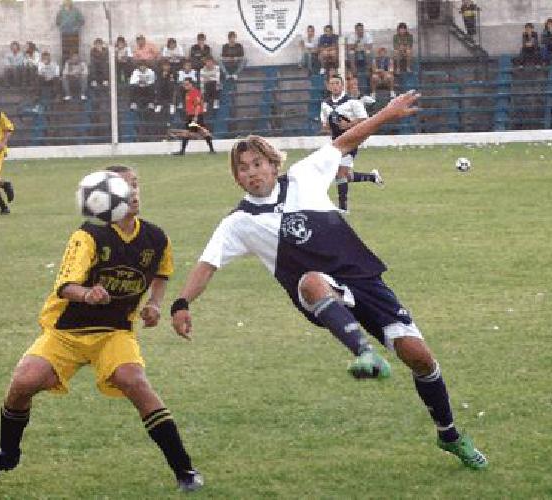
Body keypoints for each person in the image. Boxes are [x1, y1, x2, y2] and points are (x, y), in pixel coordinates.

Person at [168, 91, 489, 472]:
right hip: (321, 294)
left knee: (420, 357)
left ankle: (449, 434)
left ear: (273, 164)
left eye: (257, 163)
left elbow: (346, 140)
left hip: (364, 280)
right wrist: (181, 303)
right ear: (236, 177)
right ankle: (363, 353)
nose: (251, 172)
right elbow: (208, 264)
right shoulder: (238, 223)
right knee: (312, 281)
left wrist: (386, 113)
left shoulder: (304, 175)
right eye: (243, 168)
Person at [0, 165, 205, 492]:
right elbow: (65, 285)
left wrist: (153, 305)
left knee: (134, 381)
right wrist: (87, 294)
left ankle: (185, 470)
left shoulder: (156, 237)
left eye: (136, 185)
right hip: (66, 333)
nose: (134, 193)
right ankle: (7, 453)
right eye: (125, 188)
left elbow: (161, 273)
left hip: (114, 333)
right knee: (24, 381)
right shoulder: (89, 236)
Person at [319, 75, 384, 213]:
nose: (335, 86)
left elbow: (364, 120)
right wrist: (329, 126)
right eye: (332, 83)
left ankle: (343, 208)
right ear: (328, 86)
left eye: (337, 83)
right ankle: (372, 177)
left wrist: (348, 125)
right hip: (336, 142)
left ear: (342, 86)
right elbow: (324, 125)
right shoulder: (325, 104)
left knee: (340, 173)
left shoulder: (352, 102)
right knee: (342, 175)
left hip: (351, 140)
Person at [171, 79, 214, 155]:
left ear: (191, 85)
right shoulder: (187, 93)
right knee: (199, 132)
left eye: (187, 84)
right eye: (184, 85)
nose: (185, 86)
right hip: (190, 115)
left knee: (198, 132)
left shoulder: (195, 93)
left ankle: (182, 151)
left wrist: (196, 116)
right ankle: (211, 150)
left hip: (195, 115)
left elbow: (198, 105)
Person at [55, 0, 85, 64]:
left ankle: (75, 66)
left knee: (75, 51)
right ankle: (65, 68)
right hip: (65, 34)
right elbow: (57, 22)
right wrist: (62, 26)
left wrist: (76, 28)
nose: (67, 3)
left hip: (74, 34)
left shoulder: (76, 11)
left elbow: (82, 21)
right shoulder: (61, 12)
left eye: (68, 1)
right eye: (65, 2)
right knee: (65, 51)